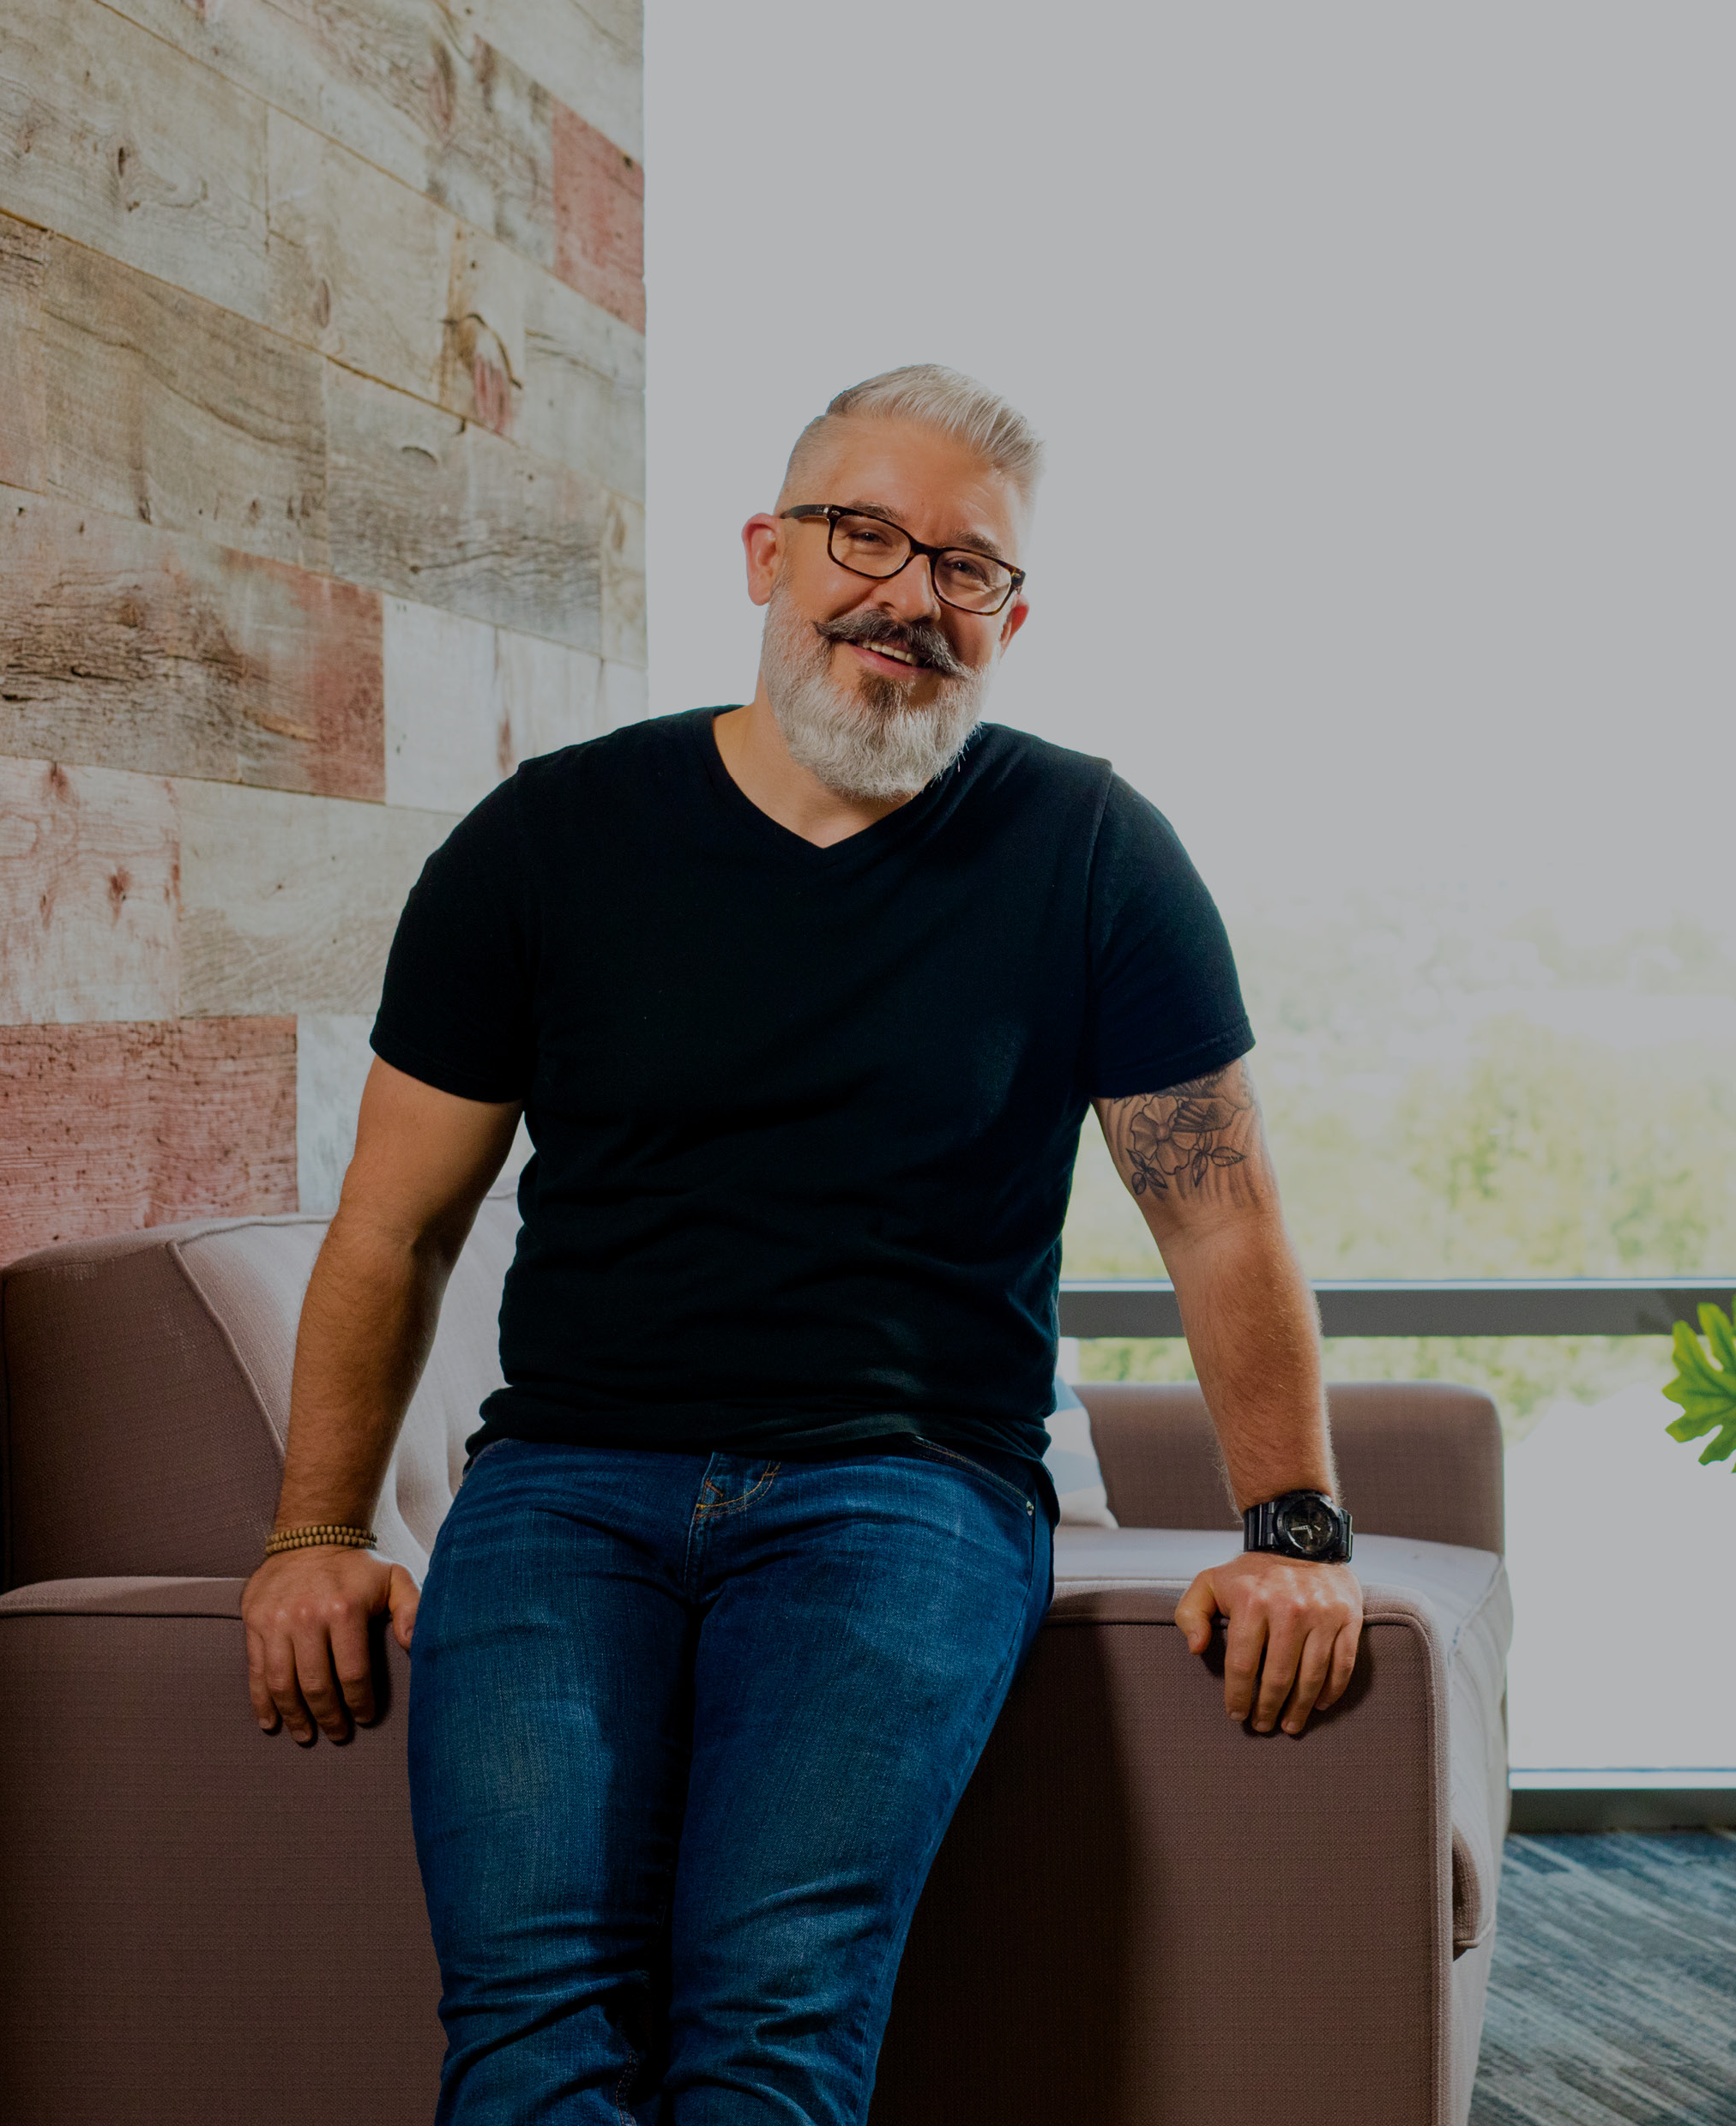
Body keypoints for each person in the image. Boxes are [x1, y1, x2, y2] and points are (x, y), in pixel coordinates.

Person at [237, 365, 1360, 2123]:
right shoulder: (549, 841)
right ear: (768, 552)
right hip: (565, 1486)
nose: (909, 594)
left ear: (1009, 615)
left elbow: (1220, 1216)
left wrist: (1293, 1528)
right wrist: (312, 1530)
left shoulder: (1091, 852)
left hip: (905, 1493)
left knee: (772, 2028)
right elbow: (397, 1221)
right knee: (530, 2035)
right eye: (864, 534)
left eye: (965, 568)